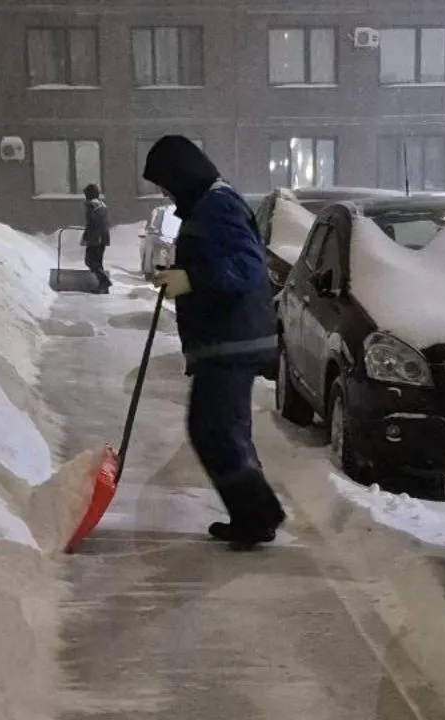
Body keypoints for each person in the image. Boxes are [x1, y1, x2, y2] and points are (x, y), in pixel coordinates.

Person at [142, 135, 286, 547]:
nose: (166, 193)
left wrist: (191, 278)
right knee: (218, 430)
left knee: (215, 431)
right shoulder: (210, 203)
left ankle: (257, 515)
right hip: (227, 340)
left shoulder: (218, 205)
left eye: (166, 183)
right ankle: (255, 514)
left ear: (182, 175)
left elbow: (247, 265)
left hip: (232, 341)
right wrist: (183, 274)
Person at [81, 183, 111, 294]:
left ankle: (104, 282)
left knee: (89, 260)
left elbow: (91, 224)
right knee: (98, 262)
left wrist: (86, 237)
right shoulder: (102, 205)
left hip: (95, 238)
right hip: (103, 237)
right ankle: (103, 287)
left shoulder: (92, 206)